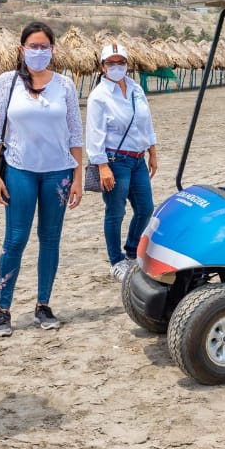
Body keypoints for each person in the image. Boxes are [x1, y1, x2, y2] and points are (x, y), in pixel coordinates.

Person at [0, 22, 84, 336]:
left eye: (44, 47)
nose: (38, 52)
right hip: (19, 171)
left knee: (50, 240)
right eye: (33, 46)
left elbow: (76, 135)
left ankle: (43, 305)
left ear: (52, 50)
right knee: (15, 240)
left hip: (58, 174)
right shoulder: (6, 83)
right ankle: (3, 310)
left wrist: (78, 177)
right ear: (21, 49)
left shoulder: (65, 85)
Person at [86, 43, 158, 281]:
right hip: (115, 160)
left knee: (146, 208)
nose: (116, 67)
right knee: (115, 211)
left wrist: (152, 151)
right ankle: (116, 260)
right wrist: (102, 165)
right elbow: (94, 133)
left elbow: (145, 122)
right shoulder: (100, 96)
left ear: (127, 64)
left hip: (137, 159)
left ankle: (131, 250)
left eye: (121, 62)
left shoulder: (136, 89)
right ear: (102, 66)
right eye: (111, 63)